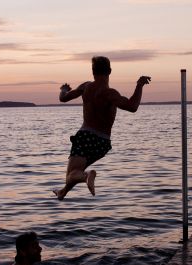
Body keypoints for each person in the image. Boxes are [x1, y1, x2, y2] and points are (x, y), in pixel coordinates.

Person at [53, 56, 151, 200]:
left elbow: (63, 98)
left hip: (86, 137)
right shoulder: (110, 93)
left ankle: (87, 176)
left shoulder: (86, 87)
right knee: (76, 172)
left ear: (92, 71)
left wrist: (63, 89)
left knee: (72, 174)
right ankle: (63, 192)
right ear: (110, 71)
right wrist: (139, 85)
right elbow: (132, 106)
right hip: (103, 143)